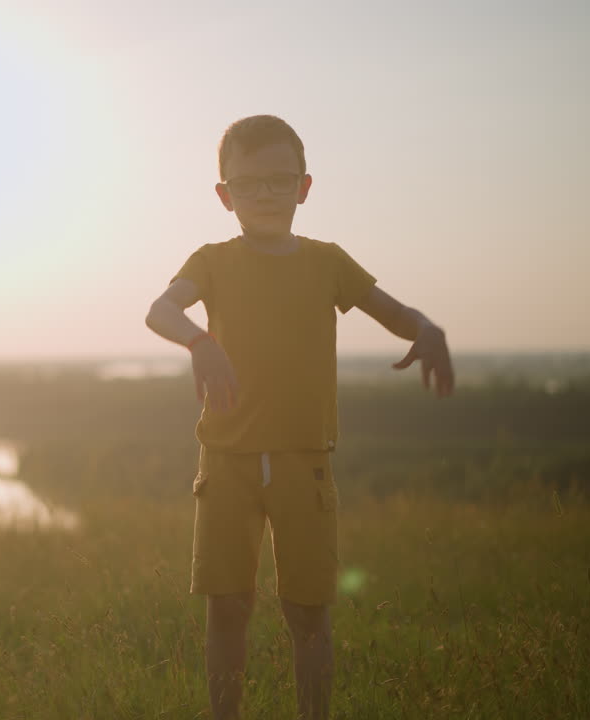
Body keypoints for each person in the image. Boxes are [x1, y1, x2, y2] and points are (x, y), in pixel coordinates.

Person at [144, 114, 454, 720]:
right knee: (227, 608)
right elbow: (161, 310)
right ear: (224, 195)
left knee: (308, 614)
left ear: (304, 187)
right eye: (248, 183)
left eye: (279, 181)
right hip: (225, 461)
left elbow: (392, 312)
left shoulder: (327, 262)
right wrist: (199, 342)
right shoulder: (211, 260)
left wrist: (427, 328)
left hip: (305, 462)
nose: (264, 194)